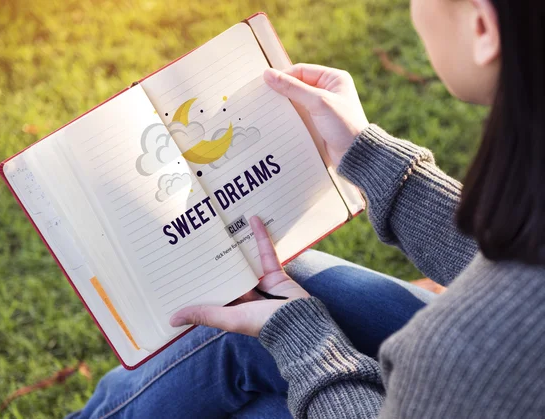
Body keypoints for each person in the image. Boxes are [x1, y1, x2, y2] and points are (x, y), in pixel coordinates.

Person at [70, 0, 544, 417]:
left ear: (482, 27)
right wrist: (370, 157)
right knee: (283, 286)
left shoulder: (465, 347)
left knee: (248, 347)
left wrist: (304, 339)